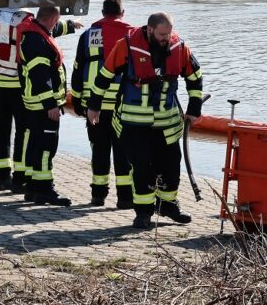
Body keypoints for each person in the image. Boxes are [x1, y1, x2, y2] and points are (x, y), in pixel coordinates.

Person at [86, 12, 203, 229]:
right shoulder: (126, 46)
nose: (165, 38)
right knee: (141, 169)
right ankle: (143, 212)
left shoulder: (180, 47)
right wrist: (94, 107)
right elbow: (104, 76)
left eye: (168, 34)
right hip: (134, 123)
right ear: (149, 30)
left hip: (167, 124)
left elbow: (195, 78)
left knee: (171, 166)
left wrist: (194, 109)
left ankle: (168, 205)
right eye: (161, 34)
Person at [0, 0, 80, 192]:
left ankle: (0, 177)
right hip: (18, 82)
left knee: (0, 129)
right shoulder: (26, 19)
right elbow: (45, 31)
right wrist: (72, 25)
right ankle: (20, 177)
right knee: (24, 130)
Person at [71, 0, 133, 208]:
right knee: (124, 152)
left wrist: (77, 99)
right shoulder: (132, 35)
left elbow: (78, 69)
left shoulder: (89, 35)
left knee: (99, 150)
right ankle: (125, 199)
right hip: (123, 106)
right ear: (122, 13)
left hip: (94, 105)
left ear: (102, 12)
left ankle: (98, 196)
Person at [16, 6, 71, 206]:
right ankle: (45, 190)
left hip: (34, 102)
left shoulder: (34, 33)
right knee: (47, 147)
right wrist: (51, 105)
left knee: (36, 145)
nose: (57, 24)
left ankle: (32, 188)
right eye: (57, 21)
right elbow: (41, 76)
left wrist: (71, 26)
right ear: (53, 18)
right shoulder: (37, 41)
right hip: (43, 104)